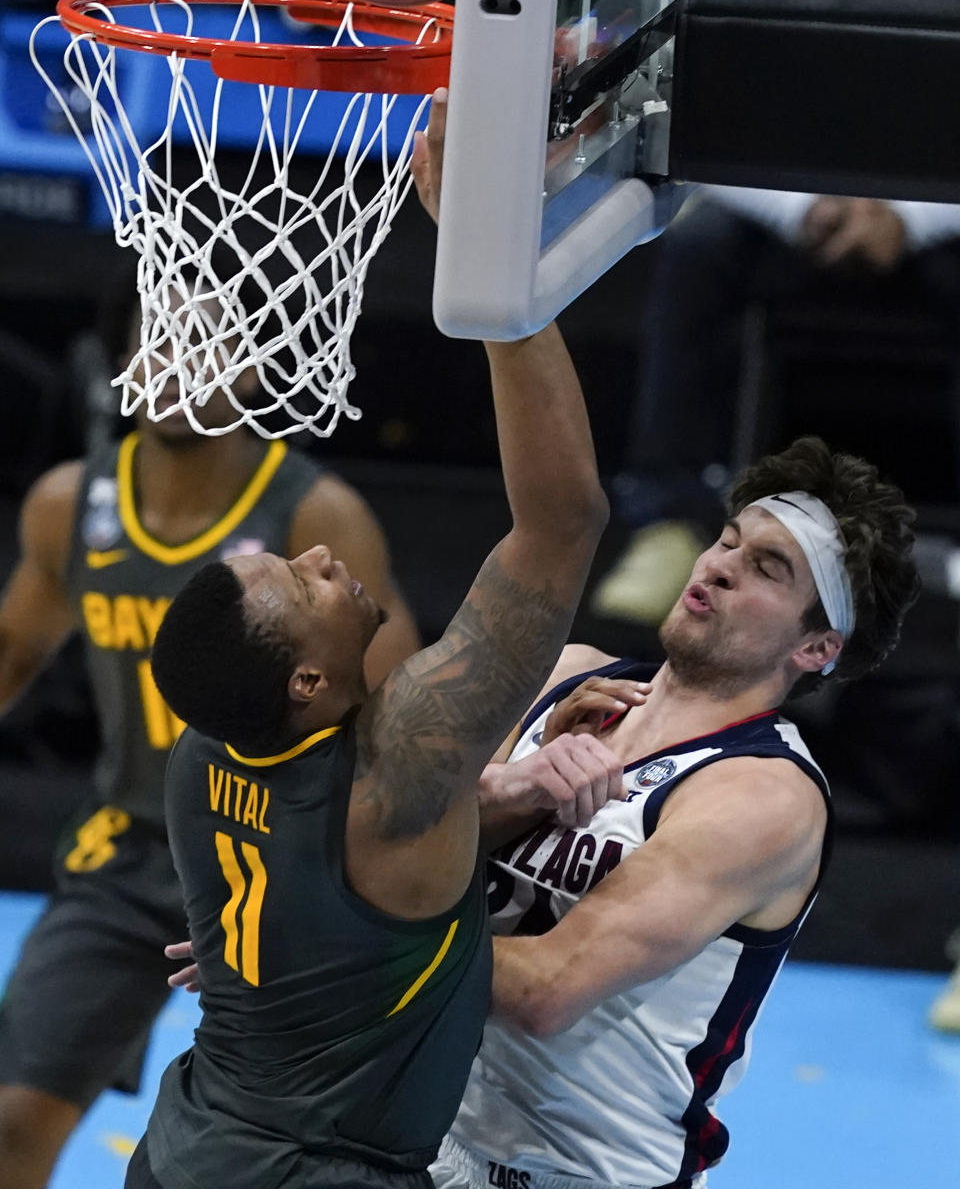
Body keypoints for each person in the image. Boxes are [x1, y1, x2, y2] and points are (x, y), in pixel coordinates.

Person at [123, 87, 610, 1189]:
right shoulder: (401, 767)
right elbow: (562, 525)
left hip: (190, 1147)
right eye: (300, 583)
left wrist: (521, 790)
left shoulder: (204, 757)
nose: (319, 558)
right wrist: (499, 280)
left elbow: (362, 869)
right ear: (306, 678)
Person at [0, 270, 421, 1189]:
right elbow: (9, 658)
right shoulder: (70, 505)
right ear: (121, 362)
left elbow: (402, 712)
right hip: (132, 854)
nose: (184, 360)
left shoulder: (315, 514)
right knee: (9, 1121)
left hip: (286, 864)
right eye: (163, 336)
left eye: (212, 340)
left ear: (251, 365)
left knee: (276, 1157)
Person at [428, 435, 919, 1189]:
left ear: (817, 645)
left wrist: (327, 936)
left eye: (767, 568)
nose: (719, 565)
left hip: (579, 1177)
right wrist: (508, 793)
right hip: (429, 1135)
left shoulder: (763, 796)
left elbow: (544, 992)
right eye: (728, 541)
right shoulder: (566, 678)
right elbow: (408, 842)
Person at [591, 0, 960, 626]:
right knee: (696, 247)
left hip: (934, 232)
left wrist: (908, 218)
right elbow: (703, 122)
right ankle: (668, 517)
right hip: (801, 224)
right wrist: (804, 209)